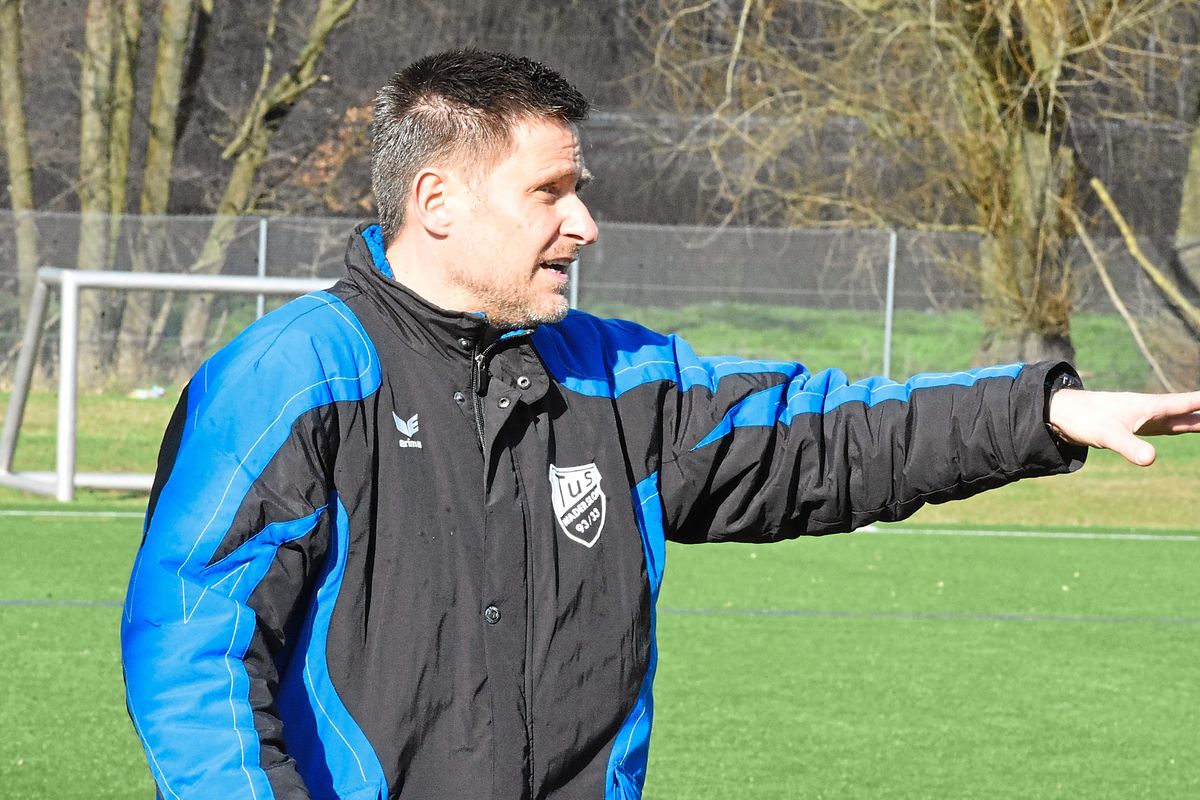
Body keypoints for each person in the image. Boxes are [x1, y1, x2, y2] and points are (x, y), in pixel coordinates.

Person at [120, 49, 1200, 800]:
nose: (584, 223)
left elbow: (818, 437)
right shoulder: (291, 377)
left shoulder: (615, 378)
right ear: (438, 201)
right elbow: (193, 647)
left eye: (579, 189)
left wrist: (1041, 411)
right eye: (551, 193)